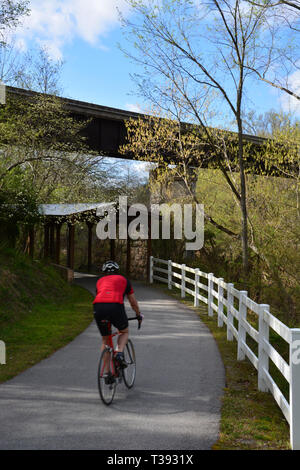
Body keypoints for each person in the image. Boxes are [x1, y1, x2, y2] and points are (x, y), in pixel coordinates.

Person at [93, 260, 142, 368]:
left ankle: (106, 374)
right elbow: (133, 302)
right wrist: (138, 314)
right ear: (117, 271)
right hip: (115, 306)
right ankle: (119, 352)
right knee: (123, 332)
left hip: (98, 307)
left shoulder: (100, 281)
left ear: (104, 272)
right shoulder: (124, 280)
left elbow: (100, 295)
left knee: (105, 340)